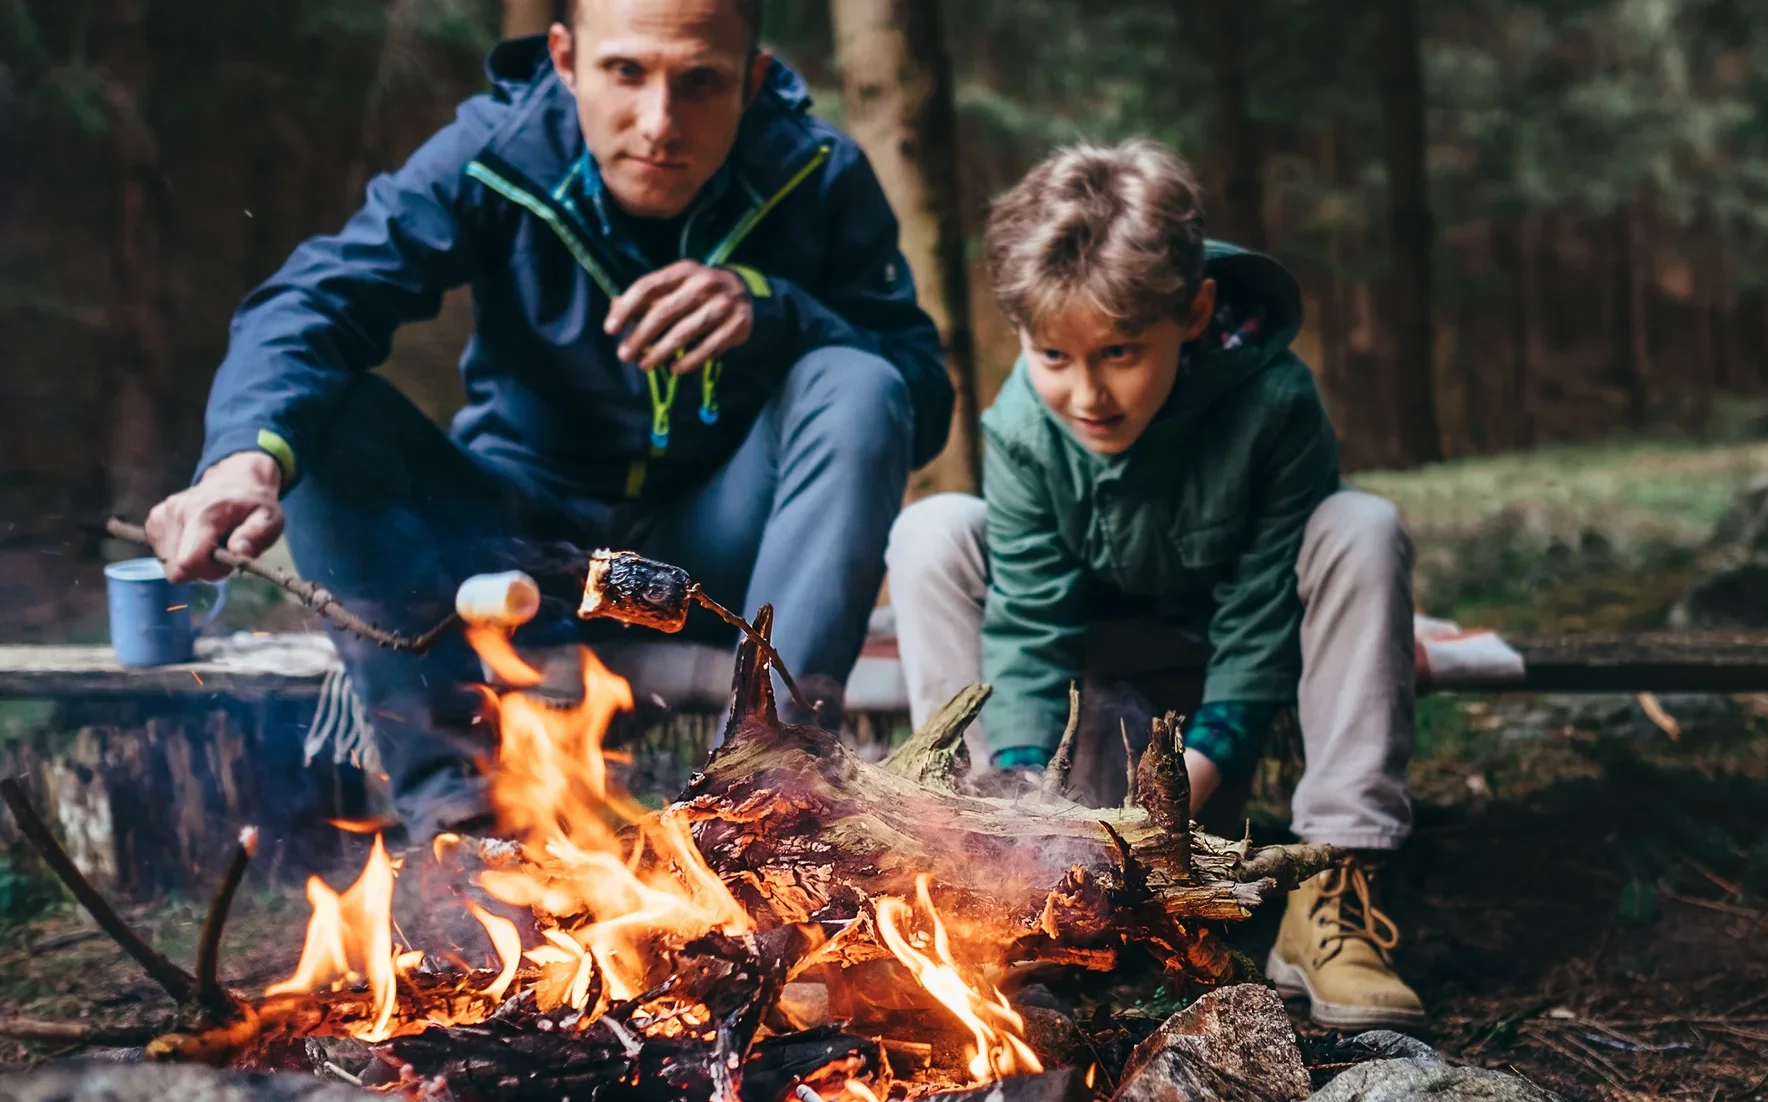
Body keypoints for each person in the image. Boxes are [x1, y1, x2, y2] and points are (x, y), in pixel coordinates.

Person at [143, 0, 952, 841]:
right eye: (626, 72)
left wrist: (779, 313)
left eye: (701, 82)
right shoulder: (498, 154)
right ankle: (462, 826)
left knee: (857, 380)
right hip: (515, 560)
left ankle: (768, 803)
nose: (659, 122)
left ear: (751, 78)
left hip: (715, 577)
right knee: (321, 410)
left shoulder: (817, 174)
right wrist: (244, 462)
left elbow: (918, 399)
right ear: (566, 59)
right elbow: (313, 302)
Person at [884, 140, 1423, 1030]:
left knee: (1361, 527)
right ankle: (985, 873)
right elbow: (1026, 618)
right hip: (1088, 675)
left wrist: (1168, 805)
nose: (1087, 393)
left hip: (1221, 662)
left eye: (1121, 352)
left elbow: (1260, 620)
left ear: (1195, 311)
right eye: (1052, 355)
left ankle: (1332, 884)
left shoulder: (1275, 403)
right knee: (932, 530)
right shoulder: (1025, 419)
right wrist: (1038, 817)